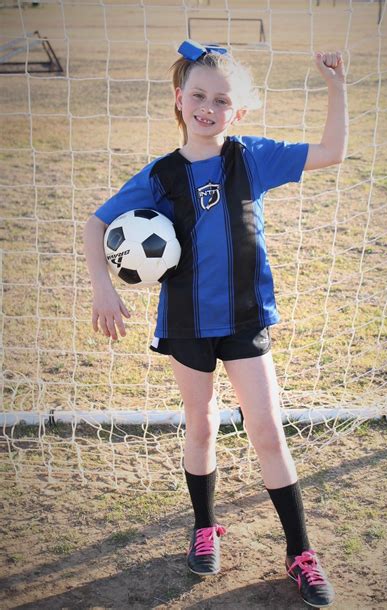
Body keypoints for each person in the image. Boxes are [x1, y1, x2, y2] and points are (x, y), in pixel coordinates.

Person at [84, 39, 348, 608]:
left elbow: (331, 150)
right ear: (180, 99)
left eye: (221, 100)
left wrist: (335, 86)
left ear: (238, 111)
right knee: (200, 425)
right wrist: (102, 287)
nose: (208, 107)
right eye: (198, 95)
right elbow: (95, 224)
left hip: (245, 319)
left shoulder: (250, 158)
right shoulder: (160, 176)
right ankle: (205, 527)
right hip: (186, 322)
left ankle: (299, 552)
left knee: (268, 433)